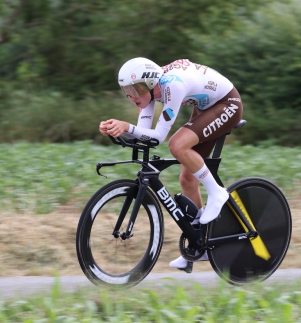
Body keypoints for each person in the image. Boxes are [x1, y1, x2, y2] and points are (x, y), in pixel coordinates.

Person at [99, 57, 243, 271]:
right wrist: (117, 130)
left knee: (177, 145)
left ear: (149, 83)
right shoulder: (148, 95)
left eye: (135, 90)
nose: (131, 97)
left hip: (227, 104)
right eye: (127, 91)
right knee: (187, 179)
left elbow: (157, 137)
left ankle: (217, 193)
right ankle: (199, 244)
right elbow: (144, 135)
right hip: (207, 107)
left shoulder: (172, 86)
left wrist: (127, 127)